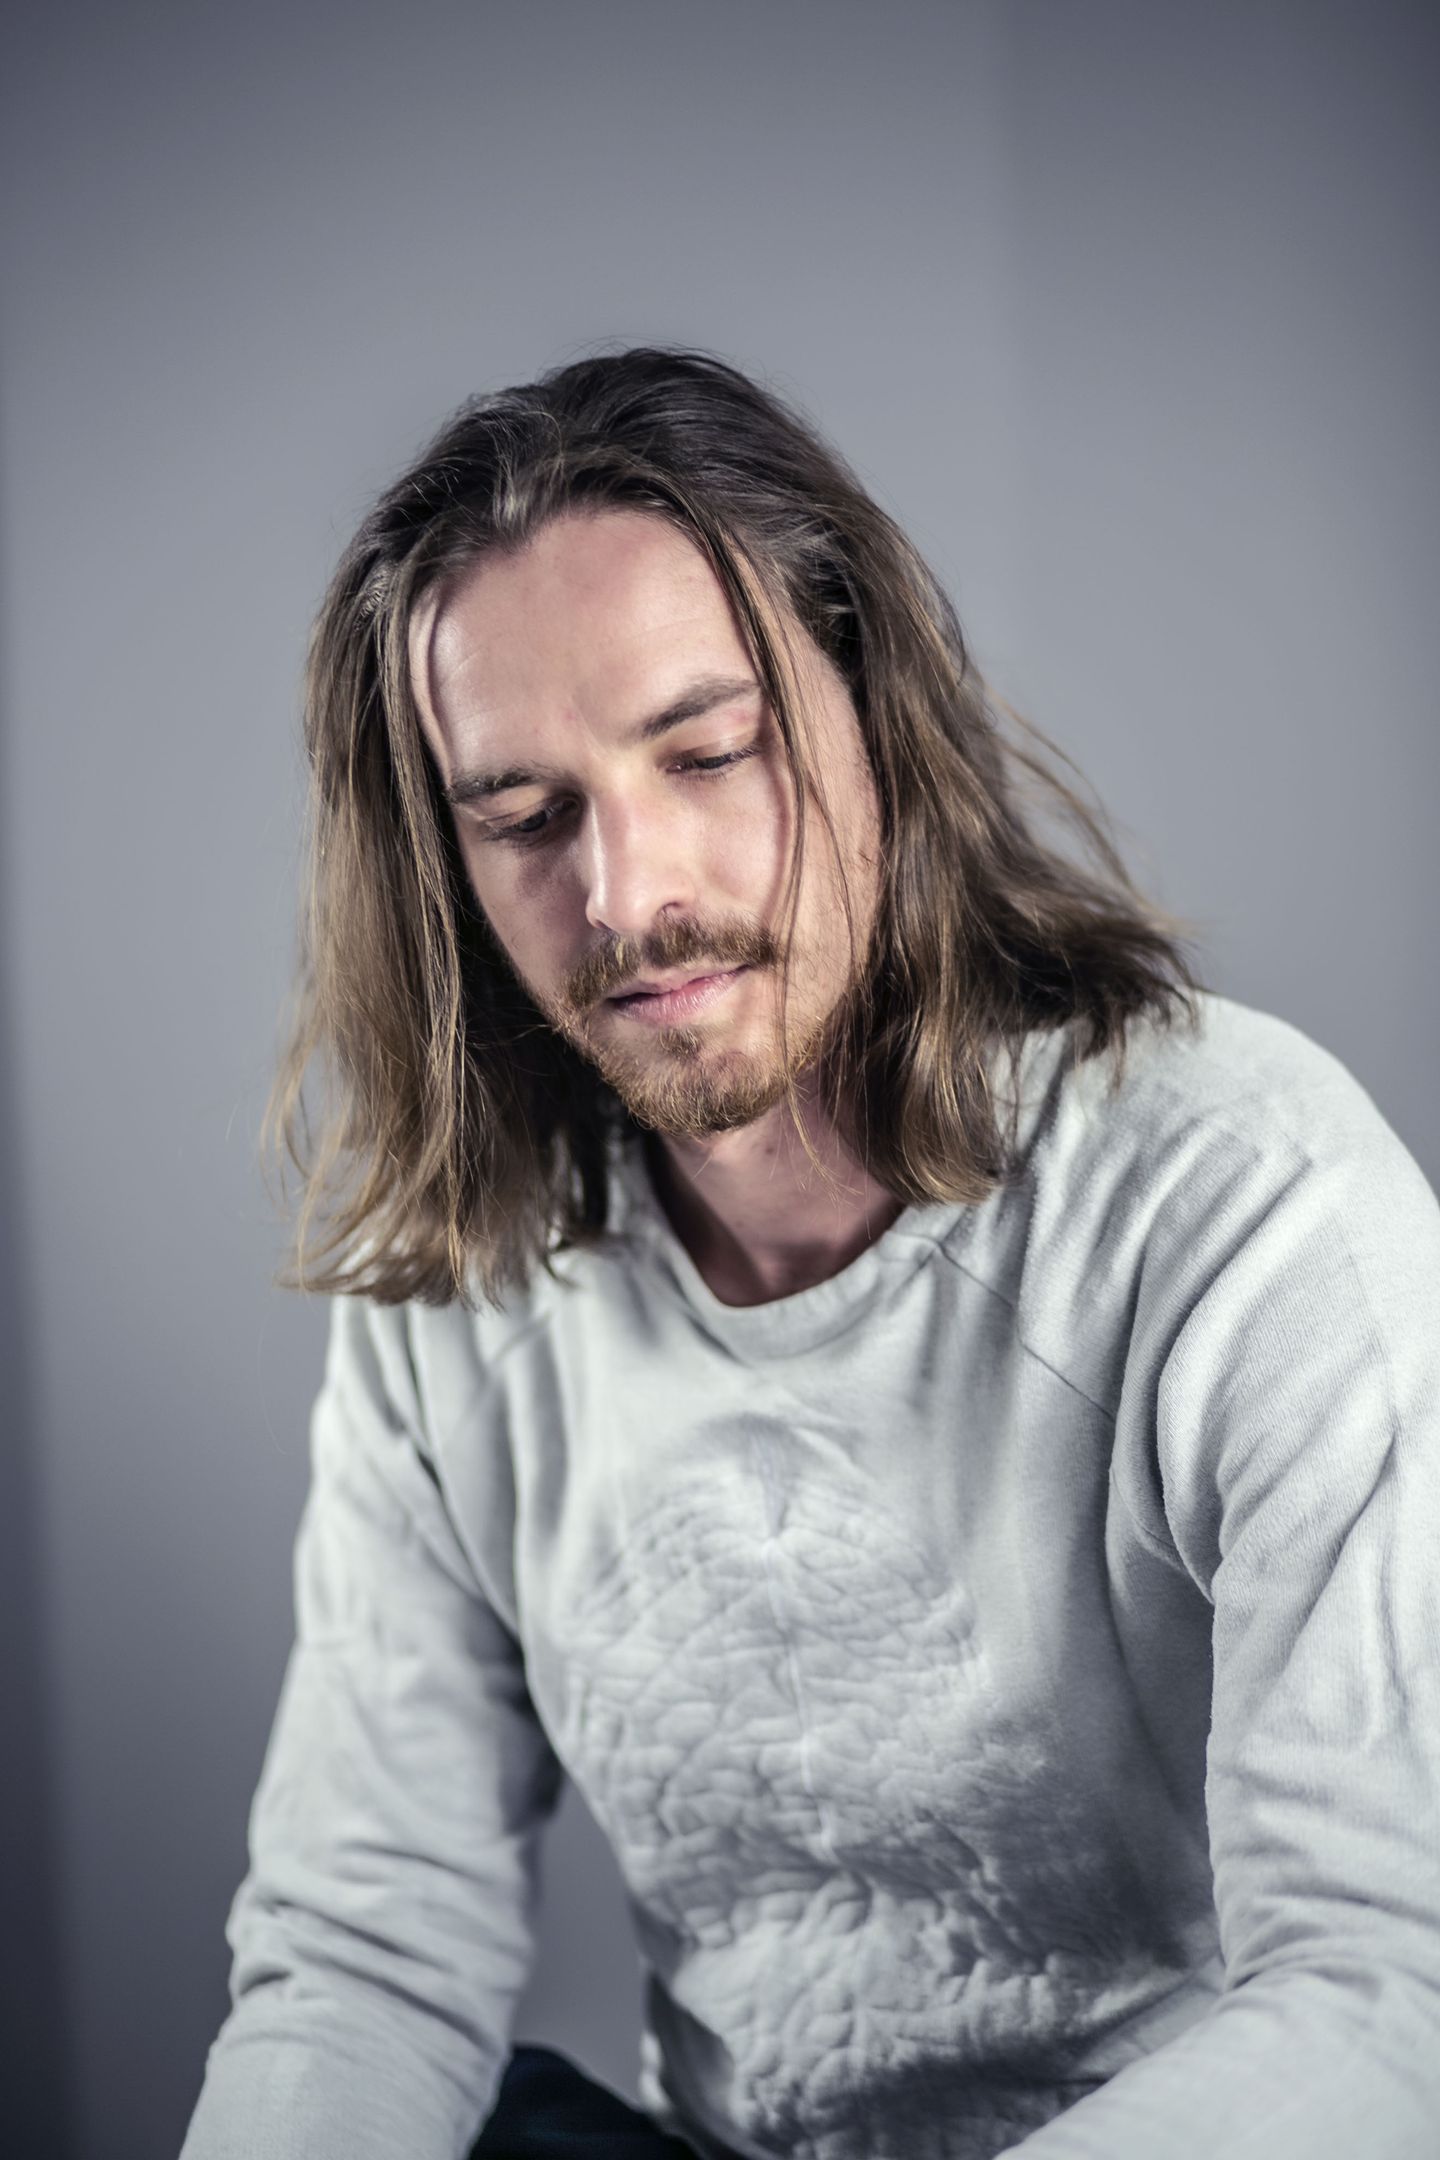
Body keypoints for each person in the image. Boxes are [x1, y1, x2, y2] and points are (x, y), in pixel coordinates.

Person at [180, 348, 1440, 2160]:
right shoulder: (467, 1290)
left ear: (872, 706)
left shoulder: (1249, 1200)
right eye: (525, 818)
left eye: (708, 753)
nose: (627, 893)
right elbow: (367, 1957)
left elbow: (1385, 1998)